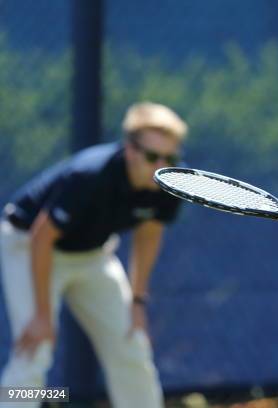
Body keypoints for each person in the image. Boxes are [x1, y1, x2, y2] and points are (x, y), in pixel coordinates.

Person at [0, 102, 187, 408]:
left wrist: (138, 300)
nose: (161, 165)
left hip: (92, 254)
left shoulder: (169, 181)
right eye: (153, 156)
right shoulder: (90, 175)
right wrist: (42, 315)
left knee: (132, 344)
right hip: (29, 245)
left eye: (170, 157)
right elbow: (41, 237)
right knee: (36, 348)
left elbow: (150, 234)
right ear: (130, 150)